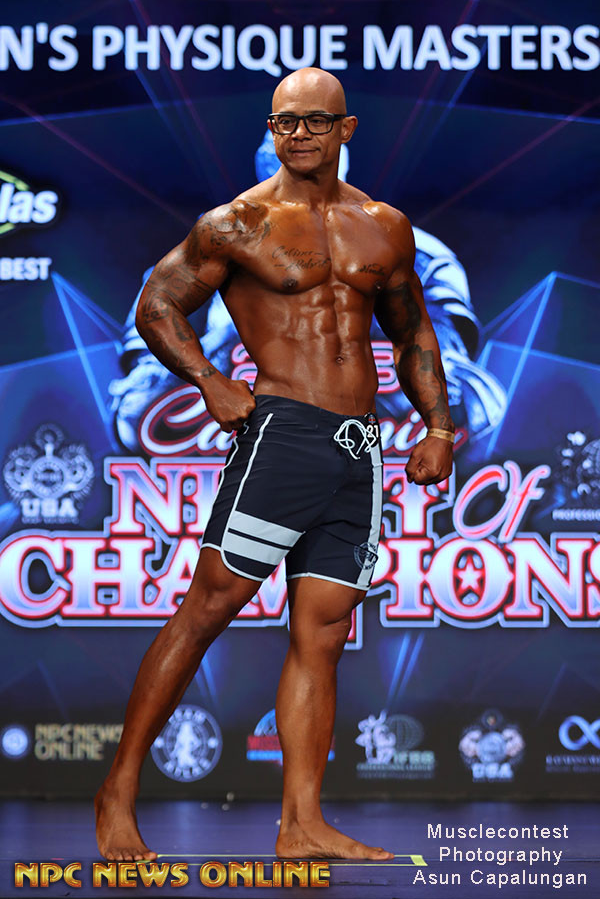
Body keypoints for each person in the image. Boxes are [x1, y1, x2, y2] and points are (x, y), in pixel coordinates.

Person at [95, 66, 454, 861]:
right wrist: (209, 379)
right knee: (208, 608)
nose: (298, 135)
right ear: (272, 128)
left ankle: (301, 824)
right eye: (285, 121)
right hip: (281, 432)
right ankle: (117, 790)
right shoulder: (237, 223)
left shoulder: (385, 227)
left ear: (345, 129)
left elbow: (412, 330)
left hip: (358, 449)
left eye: (315, 121)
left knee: (323, 633)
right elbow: (157, 304)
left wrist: (437, 424)